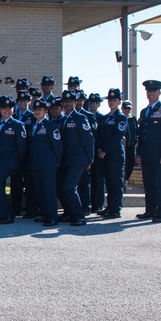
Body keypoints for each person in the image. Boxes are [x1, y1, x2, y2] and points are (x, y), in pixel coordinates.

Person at [135, 80, 161, 223]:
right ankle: (150, 210)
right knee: (149, 183)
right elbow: (142, 134)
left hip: (160, 155)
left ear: (159, 92)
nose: (151, 93)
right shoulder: (144, 111)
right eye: (149, 91)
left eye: (154, 91)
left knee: (160, 183)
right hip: (147, 154)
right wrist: (139, 153)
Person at [0, 96, 28, 224]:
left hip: (9, 161)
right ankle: (6, 212)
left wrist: (19, 164)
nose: (7, 111)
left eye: (10, 108)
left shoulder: (17, 125)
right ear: (0, 110)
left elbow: (22, 147)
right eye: (4, 108)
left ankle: (7, 214)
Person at [57, 91, 95, 226]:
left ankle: (79, 216)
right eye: (65, 102)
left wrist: (90, 159)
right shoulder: (62, 119)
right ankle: (69, 213)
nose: (67, 104)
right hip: (66, 160)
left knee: (69, 187)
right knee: (62, 187)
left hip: (78, 159)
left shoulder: (80, 118)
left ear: (75, 103)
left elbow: (88, 139)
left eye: (70, 101)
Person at [96, 89, 128, 218]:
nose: (112, 102)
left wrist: (105, 150)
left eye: (114, 100)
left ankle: (115, 209)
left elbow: (117, 137)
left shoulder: (121, 118)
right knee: (108, 182)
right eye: (110, 100)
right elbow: (99, 135)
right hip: (103, 155)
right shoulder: (105, 118)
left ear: (119, 102)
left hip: (114, 155)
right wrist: (99, 148)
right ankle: (109, 207)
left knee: (115, 183)